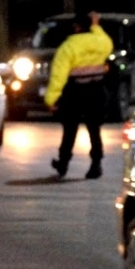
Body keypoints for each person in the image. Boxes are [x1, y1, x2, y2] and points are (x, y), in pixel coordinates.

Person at [44, 11, 114, 179]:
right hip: (96, 91)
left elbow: (58, 76)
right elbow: (107, 42)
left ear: (75, 27)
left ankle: (63, 163)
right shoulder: (102, 43)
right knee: (94, 129)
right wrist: (96, 25)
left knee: (69, 129)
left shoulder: (68, 47)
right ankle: (96, 165)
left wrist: (51, 99)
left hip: (74, 93)